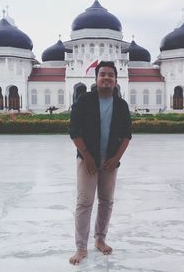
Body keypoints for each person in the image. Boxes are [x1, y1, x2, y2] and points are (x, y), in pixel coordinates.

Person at [68, 61, 132, 265]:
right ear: (96, 78)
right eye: (103, 74)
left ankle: (100, 239)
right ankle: (80, 247)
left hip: (110, 161)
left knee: (106, 201)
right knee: (84, 202)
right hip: (88, 158)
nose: (107, 78)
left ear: (115, 80)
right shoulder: (84, 101)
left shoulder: (121, 105)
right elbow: (74, 131)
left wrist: (115, 159)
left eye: (111, 75)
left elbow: (126, 135)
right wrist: (87, 157)